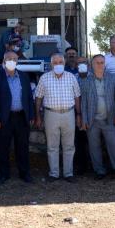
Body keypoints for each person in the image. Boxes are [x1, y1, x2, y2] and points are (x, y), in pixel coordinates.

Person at [80, 55, 115, 181]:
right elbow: (84, 103)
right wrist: (84, 120)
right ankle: (99, 170)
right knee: (94, 146)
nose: (100, 65)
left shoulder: (112, 78)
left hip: (109, 119)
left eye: (102, 62)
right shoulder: (86, 81)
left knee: (114, 144)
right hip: (93, 120)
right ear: (92, 65)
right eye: (97, 63)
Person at [34, 53, 82, 182]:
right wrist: (38, 116)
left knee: (69, 145)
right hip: (51, 114)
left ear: (64, 63)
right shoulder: (44, 78)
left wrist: (78, 115)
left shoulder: (71, 77)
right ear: (51, 64)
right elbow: (38, 98)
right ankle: (54, 173)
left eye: (60, 62)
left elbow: (77, 97)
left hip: (69, 114)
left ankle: (68, 173)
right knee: (52, 146)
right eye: (55, 62)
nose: (58, 64)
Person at [0, 51, 35, 185]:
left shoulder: (23, 76)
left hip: (21, 117)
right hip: (4, 118)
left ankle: (24, 173)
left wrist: (31, 115)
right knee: (2, 147)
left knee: (22, 146)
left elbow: (28, 97)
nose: (11, 61)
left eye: (14, 59)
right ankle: (3, 174)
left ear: (17, 61)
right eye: (8, 59)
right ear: (4, 61)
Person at [73, 56, 90, 175]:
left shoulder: (94, 77)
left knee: (93, 141)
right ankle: (81, 167)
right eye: (79, 63)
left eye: (83, 62)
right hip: (78, 113)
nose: (81, 65)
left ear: (88, 64)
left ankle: (94, 165)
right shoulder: (73, 78)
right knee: (79, 141)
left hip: (92, 113)